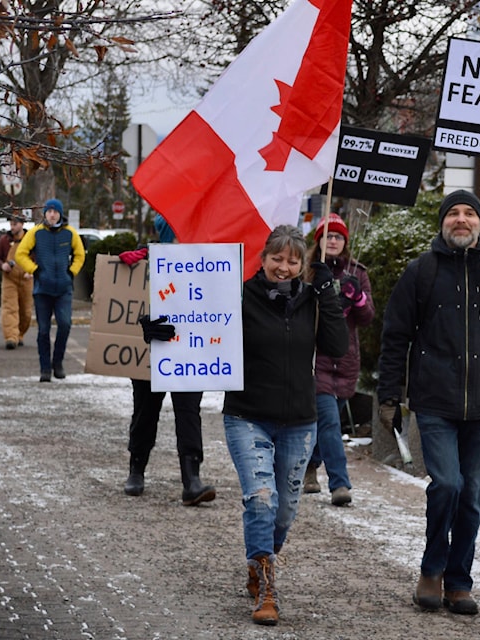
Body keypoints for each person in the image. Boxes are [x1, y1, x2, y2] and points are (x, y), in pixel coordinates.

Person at [376, 189, 480, 616]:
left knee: (472, 495)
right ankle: (431, 571)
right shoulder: (422, 271)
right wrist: (389, 396)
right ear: (442, 223)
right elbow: (395, 336)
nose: (462, 220)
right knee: (446, 484)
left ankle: (458, 582)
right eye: (454, 214)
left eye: (470, 213)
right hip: (434, 401)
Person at [193, 225, 346, 625]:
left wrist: (327, 292)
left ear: (303, 264)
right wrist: (162, 331)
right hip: (248, 415)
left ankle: (259, 559)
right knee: (261, 498)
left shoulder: (312, 299)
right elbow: (199, 326)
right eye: (277, 258)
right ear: (262, 260)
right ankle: (266, 587)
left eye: (294, 260)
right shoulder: (239, 296)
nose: (284, 266)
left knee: (284, 510)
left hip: (299, 420)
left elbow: (337, 346)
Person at [123, 214, 215, 506]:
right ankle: (136, 468)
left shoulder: (206, 263)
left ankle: (192, 478)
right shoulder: (143, 264)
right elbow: (126, 302)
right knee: (145, 412)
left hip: (189, 352)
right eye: (175, 233)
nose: (180, 239)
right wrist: (144, 323)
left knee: (189, 413)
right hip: (151, 351)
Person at [303, 213, 375, 506]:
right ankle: (340, 484)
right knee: (330, 422)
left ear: (345, 242)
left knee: (326, 424)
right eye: (327, 235)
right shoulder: (306, 270)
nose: (332, 240)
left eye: (338, 236)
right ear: (319, 240)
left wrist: (356, 298)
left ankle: (310, 465)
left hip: (346, 360)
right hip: (316, 358)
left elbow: (368, 316)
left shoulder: (357, 273)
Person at [15, 198, 85, 382]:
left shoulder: (70, 233)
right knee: (43, 331)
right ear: (45, 213)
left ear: (60, 214)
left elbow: (80, 254)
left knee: (65, 324)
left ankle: (58, 362)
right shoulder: (36, 232)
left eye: (55, 211)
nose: (52, 214)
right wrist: (35, 270)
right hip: (42, 290)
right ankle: (45, 368)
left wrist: (72, 272)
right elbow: (20, 254)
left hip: (63, 289)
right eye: (49, 211)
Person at [0, 211, 33, 349]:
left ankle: (20, 334)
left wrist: (31, 271)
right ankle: (11, 337)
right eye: (11, 224)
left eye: (15, 224)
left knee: (26, 312)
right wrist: (2, 265)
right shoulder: (4, 240)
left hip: (27, 279)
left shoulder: (31, 240)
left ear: (22, 224)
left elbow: (39, 258)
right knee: (10, 308)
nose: (12, 226)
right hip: (9, 279)